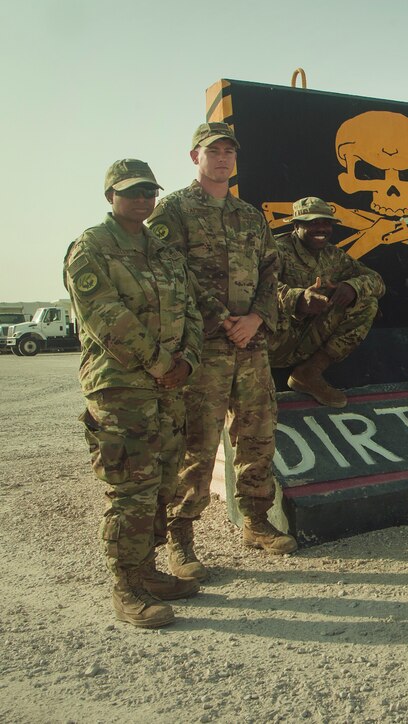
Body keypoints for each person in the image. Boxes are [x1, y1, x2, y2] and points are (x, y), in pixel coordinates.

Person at [147, 122, 296, 580]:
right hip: (201, 343)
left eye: (230, 151)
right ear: (196, 156)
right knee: (196, 441)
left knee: (256, 433)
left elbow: (272, 272)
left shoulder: (250, 216)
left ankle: (255, 520)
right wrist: (220, 317)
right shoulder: (173, 210)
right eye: (214, 151)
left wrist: (256, 318)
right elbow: (169, 271)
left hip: (250, 343)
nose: (224, 158)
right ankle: (181, 536)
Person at [65, 159, 203, 628]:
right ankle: (126, 586)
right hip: (121, 385)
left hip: (168, 387)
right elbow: (106, 317)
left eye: (149, 191)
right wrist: (163, 363)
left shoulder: (164, 251)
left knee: (164, 480)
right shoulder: (91, 248)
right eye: (131, 191)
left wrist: (189, 361)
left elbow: (193, 311)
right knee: (132, 487)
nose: (142, 199)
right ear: (110, 196)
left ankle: (148, 571)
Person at [269, 196, 385, 407]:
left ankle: (309, 374)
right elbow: (256, 289)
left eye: (326, 223)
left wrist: (352, 286)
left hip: (307, 339)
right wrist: (298, 299)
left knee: (367, 304)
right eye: (313, 223)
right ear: (297, 225)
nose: (321, 228)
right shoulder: (276, 250)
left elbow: (376, 280)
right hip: (272, 342)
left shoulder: (333, 255)